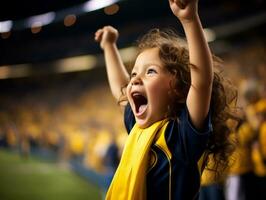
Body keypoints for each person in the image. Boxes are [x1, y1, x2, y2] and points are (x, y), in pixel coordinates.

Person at [95, 0, 239, 199]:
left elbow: (202, 82)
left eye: (150, 72)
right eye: (134, 73)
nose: (135, 79)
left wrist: (189, 20)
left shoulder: (182, 136)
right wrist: (109, 46)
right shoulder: (139, 128)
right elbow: (120, 89)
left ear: (179, 90)